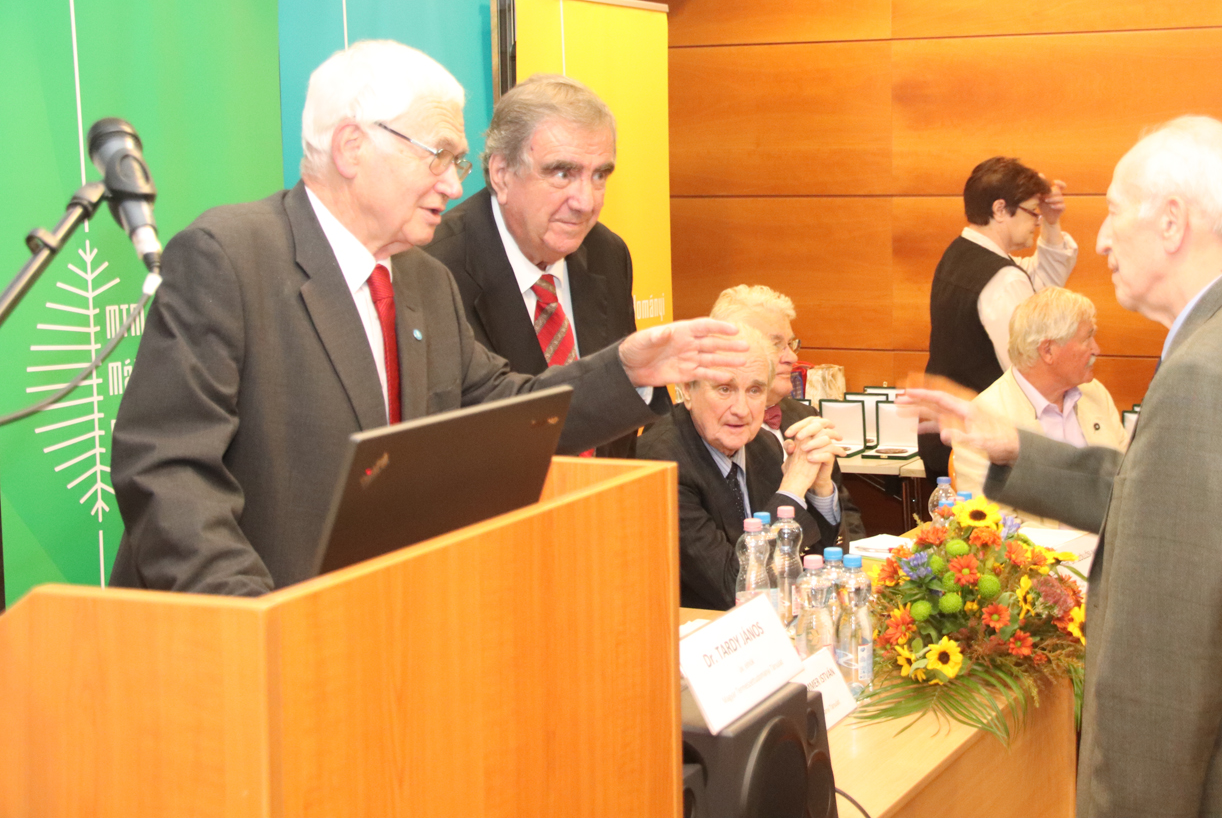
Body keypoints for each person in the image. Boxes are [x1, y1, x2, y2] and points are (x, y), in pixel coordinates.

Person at [108, 40, 745, 596]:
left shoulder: (421, 280)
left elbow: (504, 412)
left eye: (457, 162)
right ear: (352, 146)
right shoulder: (230, 257)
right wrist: (259, 618)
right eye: (437, 155)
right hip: (249, 637)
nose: (452, 184)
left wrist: (625, 370)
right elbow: (168, 468)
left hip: (387, 618)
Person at [908, 116, 1222, 818]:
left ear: (1171, 221)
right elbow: (1172, 500)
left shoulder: (1207, 372)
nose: (1100, 239)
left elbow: (1162, 671)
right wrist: (1018, 448)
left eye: (1115, 211)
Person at [425, 74, 644, 457]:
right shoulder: (433, 268)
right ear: (501, 174)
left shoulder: (607, 254)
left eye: (599, 175)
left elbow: (617, 431)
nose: (586, 202)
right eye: (562, 173)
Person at [636, 329, 843, 611]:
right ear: (687, 390)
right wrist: (792, 490)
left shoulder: (763, 445)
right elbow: (734, 589)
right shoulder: (661, 463)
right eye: (724, 389)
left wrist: (819, 490)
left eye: (755, 390)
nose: (742, 410)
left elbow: (808, 565)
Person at [919, 156, 1074, 486]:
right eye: (1033, 212)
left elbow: (1041, 281)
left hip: (948, 439)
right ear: (1001, 209)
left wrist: (1051, 222)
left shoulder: (959, 254)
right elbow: (1026, 373)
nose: (1036, 221)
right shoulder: (1002, 278)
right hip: (980, 449)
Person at [950, 287, 1127, 523]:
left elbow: (1128, 481)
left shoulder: (1095, 395)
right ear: (1048, 350)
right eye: (1087, 338)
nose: (1096, 349)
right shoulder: (983, 420)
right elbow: (993, 529)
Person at [708, 284, 866, 546]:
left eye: (790, 343)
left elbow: (847, 517)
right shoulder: (716, 432)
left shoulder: (803, 416)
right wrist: (795, 485)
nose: (792, 357)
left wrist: (822, 493)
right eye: (775, 344)